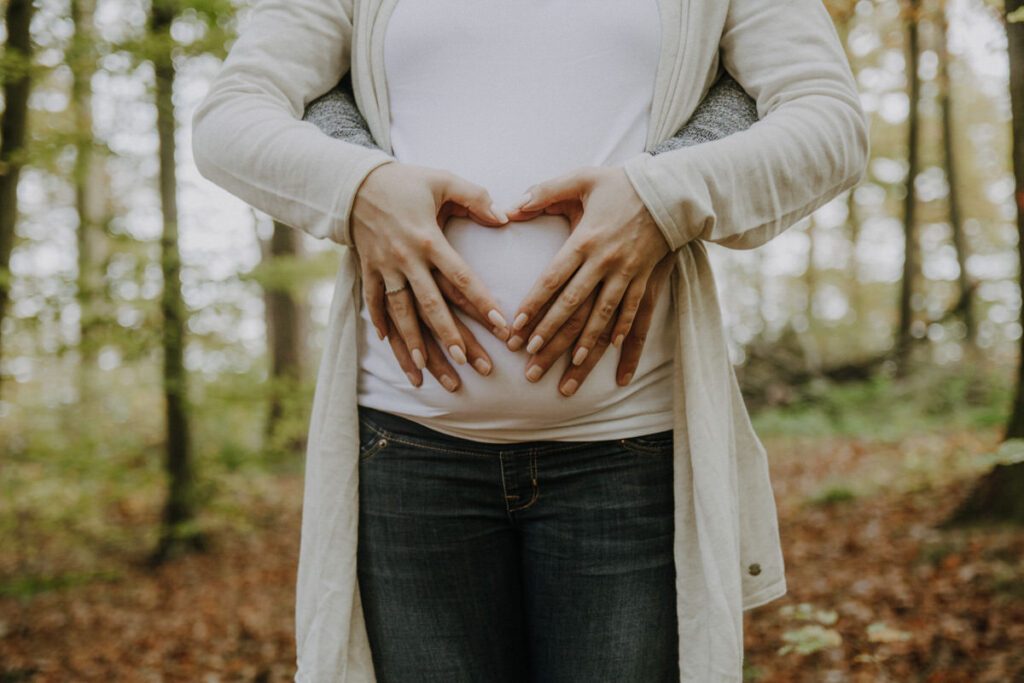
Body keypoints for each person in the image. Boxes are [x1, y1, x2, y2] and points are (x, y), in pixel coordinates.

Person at [190, 1, 869, 681]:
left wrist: (663, 195)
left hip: (629, 451)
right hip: (408, 449)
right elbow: (233, 115)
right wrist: (361, 186)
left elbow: (828, 122)